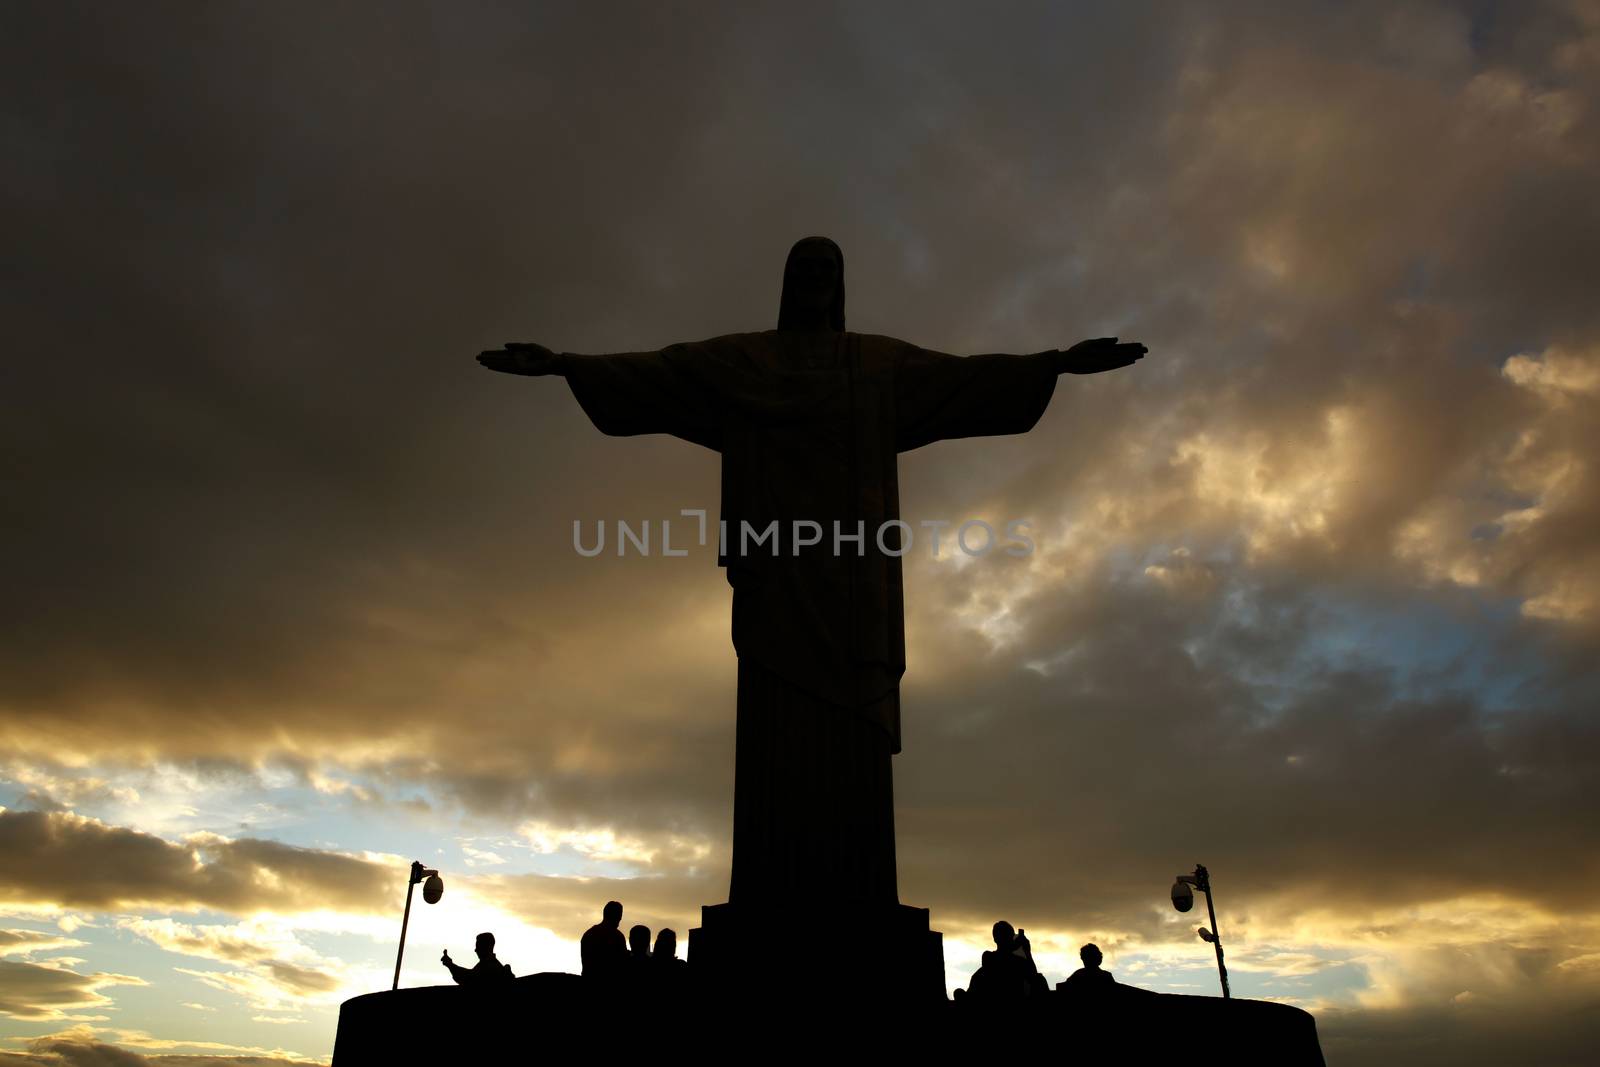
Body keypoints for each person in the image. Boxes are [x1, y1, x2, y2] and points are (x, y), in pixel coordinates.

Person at [476, 238, 1147, 910]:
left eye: (828, 267)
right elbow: (665, 372)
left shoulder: (875, 363)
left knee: (850, 721)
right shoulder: (745, 361)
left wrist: (1054, 364)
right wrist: (565, 365)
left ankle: (857, 890)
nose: (816, 278)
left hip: (856, 581)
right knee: (777, 721)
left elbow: (961, 379)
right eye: (805, 267)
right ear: (788, 280)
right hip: (776, 571)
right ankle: (774, 887)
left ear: (841, 282)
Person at [966, 921, 1040, 1001]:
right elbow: (999, 961)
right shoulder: (989, 956)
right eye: (1007, 936)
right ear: (996, 939)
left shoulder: (1019, 961)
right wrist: (1016, 947)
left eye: (1010, 936)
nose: (1011, 939)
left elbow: (1034, 978)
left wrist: (1027, 952)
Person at [440, 932, 513, 986]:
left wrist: (450, 965)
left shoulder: (491, 967)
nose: (475, 950)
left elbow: (469, 979)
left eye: (478, 946)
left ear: (486, 947)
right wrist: (450, 965)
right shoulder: (488, 965)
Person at [580, 901, 627, 980]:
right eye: (619, 915)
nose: (620, 919)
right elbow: (622, 962)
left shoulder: (589, 934)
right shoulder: (617, 937)